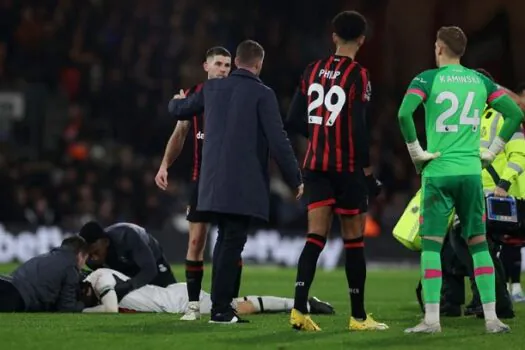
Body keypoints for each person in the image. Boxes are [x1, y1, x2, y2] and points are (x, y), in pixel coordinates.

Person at [397, 26, 523, 334]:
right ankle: (492, 319)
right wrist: (492, 152)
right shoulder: (481, 81)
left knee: (431, 246)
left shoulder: (426, 79)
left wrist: (417, 153)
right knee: (479, 244)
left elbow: (404, 115)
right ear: (463, 51)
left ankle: (431, 320)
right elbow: (516, 115)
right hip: (470, 174)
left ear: (439, 48)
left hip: (438, 172)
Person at [168, 39, 303, 323]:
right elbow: (279, 141)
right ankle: (220, 309)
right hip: (242, 186)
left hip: (211, 184)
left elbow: (179, 111)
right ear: (259, 63)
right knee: (231, 243)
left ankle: (221, 306)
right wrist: (295, 178)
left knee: (225, 243)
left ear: (237, 61)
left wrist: (176, 101)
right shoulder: (262, 94)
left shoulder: (212, 88)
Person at [285, 11, 386, 332]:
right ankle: (358, 317)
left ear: (333, 37)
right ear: (361, 40)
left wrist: (318, 135)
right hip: (347, 169)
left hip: (315, 166)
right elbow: (358, 127)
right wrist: (368, 174)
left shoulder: (311, 69)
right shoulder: (359, 75)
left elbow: (292, 121)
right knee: (354, 241)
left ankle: (299, 310)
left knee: (315, 237)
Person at [155, 46, 235, 321]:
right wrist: (165, 165)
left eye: (228, 65)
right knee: (196, 242)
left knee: (231, 243)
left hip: (230, 182)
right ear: (206, 66)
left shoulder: (237, 95)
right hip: (201, 181)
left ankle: (227, 302)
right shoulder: (193, 97)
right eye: (219, 64)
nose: (224, 69)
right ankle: (192, 306)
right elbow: (180, 133)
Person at [80, 268, 334, 316]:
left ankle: (304, 304)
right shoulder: (102, 276)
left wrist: (81, 310)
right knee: (237, 304)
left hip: (178, 301)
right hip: (172, 296)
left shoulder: (100, 276)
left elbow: (110, 309)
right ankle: (303, 303)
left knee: (238, 305)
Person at [79, 221, 176, 301]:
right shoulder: (89, 259)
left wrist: (128, 286)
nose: (93, 258)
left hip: (153, 259)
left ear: (106, 242)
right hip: (124, 264)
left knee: (171, 294)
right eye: (89, 255)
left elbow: (150, 270)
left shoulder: (127, 237)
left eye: (96, 252)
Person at [0, 236, 88, 312]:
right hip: (16, 297)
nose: (83, 265)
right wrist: (84, 303)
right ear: (80, 255)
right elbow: (67, 308)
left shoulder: (47, 256)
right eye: (85, 259)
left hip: (6, 282)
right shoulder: (71, 268)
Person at [500, 82, 525, 303]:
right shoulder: (515, 118)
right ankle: (513, 287)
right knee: (511, 240)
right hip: (517, 188)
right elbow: (517, 102)